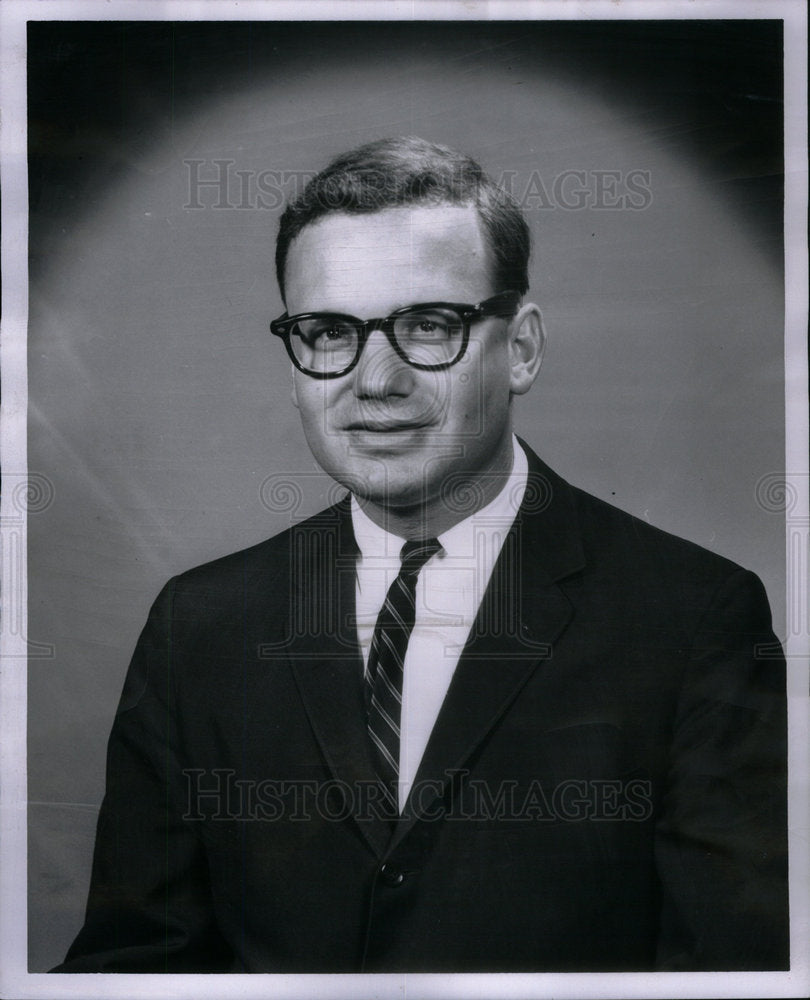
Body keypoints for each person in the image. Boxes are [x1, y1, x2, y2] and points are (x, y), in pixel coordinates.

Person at [54, 137, 788, 973]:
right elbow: (135, 973)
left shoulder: (694, 617)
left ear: (521, 349)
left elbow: (732, 976)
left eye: (428, 325)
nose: (375, 380)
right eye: (329, 331)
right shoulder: (201, 623)